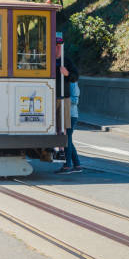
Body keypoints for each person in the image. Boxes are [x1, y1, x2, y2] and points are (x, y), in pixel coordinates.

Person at [54, 37, 79, 174]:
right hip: (50, 97)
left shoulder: (66, 61)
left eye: (59, 46)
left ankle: (66, 163)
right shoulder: (47, 60)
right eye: (55, 46)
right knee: (59, 130)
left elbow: (75, 76)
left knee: (64, 131)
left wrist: (67, 73)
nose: (57, 48)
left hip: (64, 99)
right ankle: (76, 165)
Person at [56, 74, 82, 174]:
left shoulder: (72, 82)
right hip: (66, 114)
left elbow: (75, 100)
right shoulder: (66, 82)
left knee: (66, 140)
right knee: (68, 140)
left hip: (70, 115)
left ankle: (67, 166)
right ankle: (77, 165)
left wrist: (61, 100)